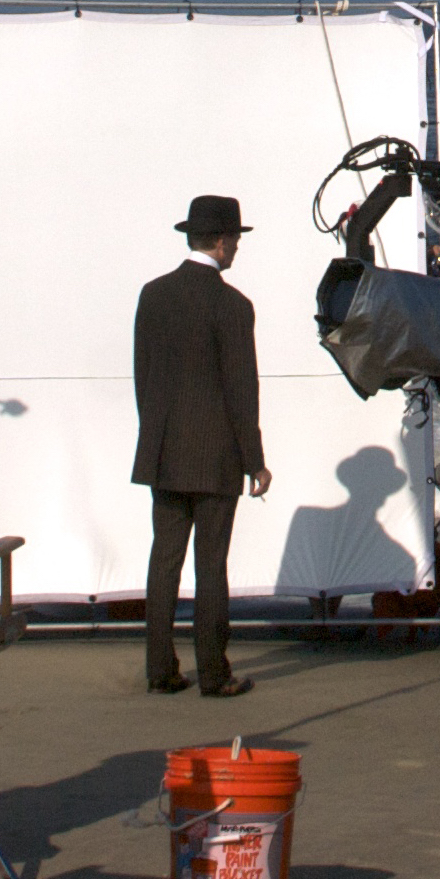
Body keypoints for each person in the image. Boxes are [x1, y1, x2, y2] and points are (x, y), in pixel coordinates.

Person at [133, 195, 271, 699]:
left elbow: (142, 377)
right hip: (215, 456)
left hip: (164, 449)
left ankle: (160, 669)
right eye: (234, 239)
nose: (236, 247)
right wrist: (254, 460)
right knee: (211, 565)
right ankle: (213, 672)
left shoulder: (153, 294)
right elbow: (242, 389)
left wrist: (155, 435)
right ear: (219, 241)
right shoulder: (233, 306)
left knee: (164, 560)